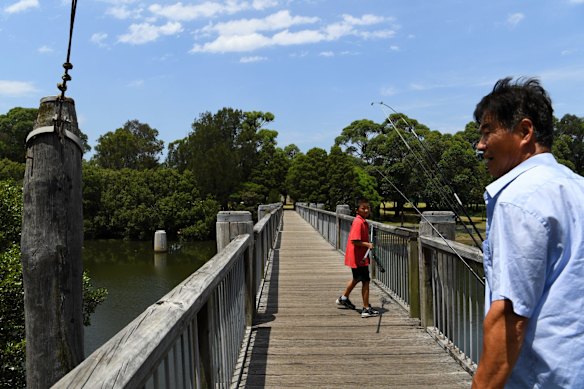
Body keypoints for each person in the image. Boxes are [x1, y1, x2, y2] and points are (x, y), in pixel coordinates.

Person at [471, 77, 584, 388]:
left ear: (524, 131)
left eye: (487, 132)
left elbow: (509, 318)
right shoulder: (576, 186)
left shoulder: (517, 201)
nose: (480, 146)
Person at [336, 198, 380, 318]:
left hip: (357, 257)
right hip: (358, 258)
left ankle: (344, 298)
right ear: (357, 210)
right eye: (363, 208)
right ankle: (366, 309)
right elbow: (355, 241)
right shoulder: (358, 222)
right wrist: (368, 244)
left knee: (356, 278)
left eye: (368, 208)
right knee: (366, 281)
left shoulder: (362, 221)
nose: (366, 210)